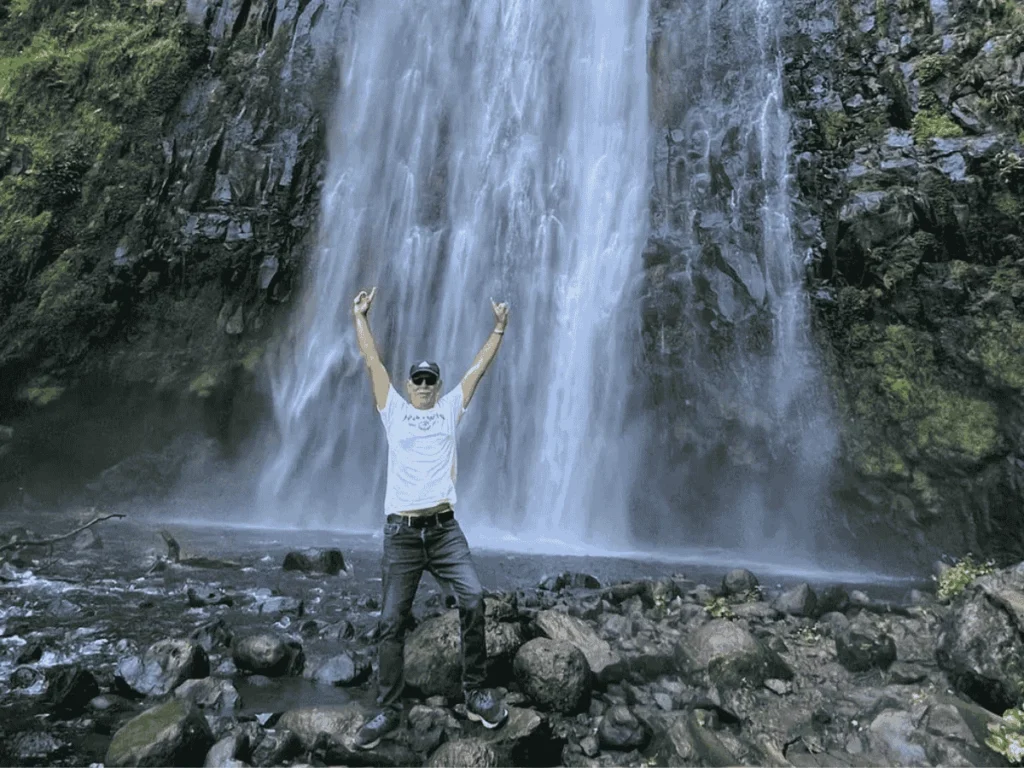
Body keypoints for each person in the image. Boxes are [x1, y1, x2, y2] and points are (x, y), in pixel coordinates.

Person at [350, 286, 511, 750]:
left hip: (444, 531)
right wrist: (360, 317)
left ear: (438, 387)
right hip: (401, 534)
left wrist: (498, 327)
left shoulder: (448, 411)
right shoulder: (392, 411)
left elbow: (478, 370)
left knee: (475, 599)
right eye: (417, 379)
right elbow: (372, 362)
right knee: (390, 621)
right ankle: (386, 710)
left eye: (429, 380)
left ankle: (476, 692)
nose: (423, 385)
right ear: (407, 386)